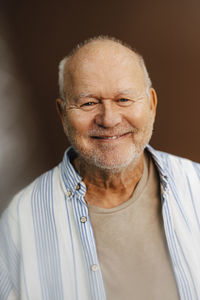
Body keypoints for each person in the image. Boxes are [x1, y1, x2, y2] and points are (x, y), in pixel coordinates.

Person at [0, 36, 200, 300]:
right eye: (88, 103)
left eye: (124, 99)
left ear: (151, 104)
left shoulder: (196, 185)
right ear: (62, 115)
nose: (109, 118)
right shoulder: (18, 221)